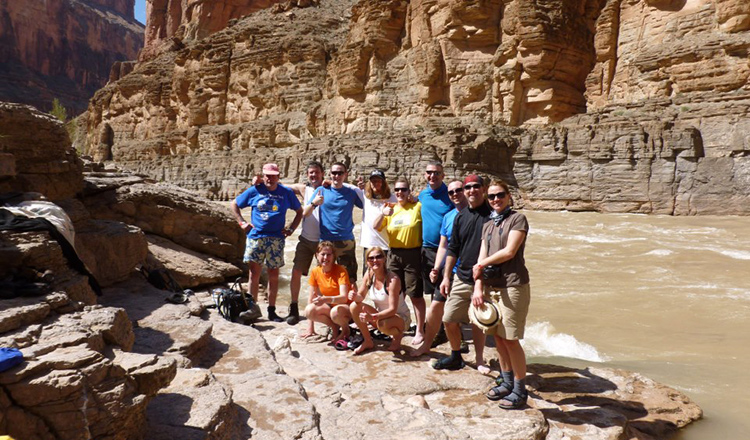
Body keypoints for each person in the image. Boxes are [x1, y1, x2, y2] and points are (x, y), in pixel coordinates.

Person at [473, 180, 531, 409]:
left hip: (513, 285)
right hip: (491, 286)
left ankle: (520, 389)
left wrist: (481, 265)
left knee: (510, 338)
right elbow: (481, 256)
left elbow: (509, 251)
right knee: (497, 336)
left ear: (509, 196)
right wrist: (478, 286)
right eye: (491, 197)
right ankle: (506, 381)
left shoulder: (517, 219)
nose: (495, 200)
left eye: (500, 195)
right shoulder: (487, 224)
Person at [231, 163, 302, 322]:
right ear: (263, 176)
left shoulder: (286, 193)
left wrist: (291, 229)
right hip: (256, 237)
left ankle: (272, 310)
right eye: (267, 175)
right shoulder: (255, 190)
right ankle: (252, 308)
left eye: (273, 175)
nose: (270, 178)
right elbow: (234, 204)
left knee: (273, 275)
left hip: (276, 239)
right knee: (254, 274)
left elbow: (300, 211)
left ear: (278, 176)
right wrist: (242, 222)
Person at [433, 174, 490, 370]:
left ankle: (480, 359)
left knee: (478, 321)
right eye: (468, 187)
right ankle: (456, 355)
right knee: (449, 318)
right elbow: (453, 249)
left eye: (476, 187)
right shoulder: (460, 217)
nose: (471, 190)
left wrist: (481, 282)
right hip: (462, 277)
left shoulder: (492, 215)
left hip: (486, 278)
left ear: (483, 189)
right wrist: (446, 277)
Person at [411, 180, 469, 358]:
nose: (455, 194)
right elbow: (444, 245)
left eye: (459, 190)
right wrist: (437, 268)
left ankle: (464, 345)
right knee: (436, 306)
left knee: (466, 309)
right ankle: (428, 344)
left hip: (468, 270)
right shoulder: (448, 216)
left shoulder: (477, 215)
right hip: (449, 269)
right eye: (451, 192)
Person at [374, 177, 424, 342]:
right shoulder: (390, 208)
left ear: (409, 191)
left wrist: (417, 198)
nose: (400, 192)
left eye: (404, 189)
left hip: (412, 254)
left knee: (415, 294)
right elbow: (375, 226)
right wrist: (382, 213)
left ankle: (420, 330)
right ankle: (396, 326)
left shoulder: (417, 206)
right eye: (397, 190)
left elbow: (427, 201)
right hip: (394, 254)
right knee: (394, 292)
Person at [305, 162, 364, 282]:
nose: (336, 176)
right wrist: (314, 203)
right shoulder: (321, 191)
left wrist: (362, 190)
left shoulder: (351, 193)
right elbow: (305, 213)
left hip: (346, 240)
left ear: (345, 174)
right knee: (323, 278)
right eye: (334, 173)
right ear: (330, 174)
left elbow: (368, 206)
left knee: (349, 279)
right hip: (326, 241)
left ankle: (350, 301)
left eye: (340, 173)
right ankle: (324, 300)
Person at [348, 247, 411, 355]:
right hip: (380, 316)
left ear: (385, 259)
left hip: (400, 318)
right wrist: (354, 296)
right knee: (354, 306)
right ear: (367, 261)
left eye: (378, 257)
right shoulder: (369, 275)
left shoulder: (392, 279)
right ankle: (368, 341)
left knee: (382, 324)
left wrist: (371, 317)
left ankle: (398, 336)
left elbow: (392, 310)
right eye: (371, 258)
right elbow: (361, 296)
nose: (375, 260)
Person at [418, 161, 453, 345]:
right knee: (431, 290)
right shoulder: (423, 195)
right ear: (425, 175)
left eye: (436, 173)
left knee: (442, 290)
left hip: (446, 250)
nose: (433, 176)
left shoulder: (450, 195)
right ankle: (436, 326)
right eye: (429, 172)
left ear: (443, 175)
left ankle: (443, 331)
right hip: (426, 249)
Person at [303, 241, 353, 345]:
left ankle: (345, 330)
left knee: (335, 312)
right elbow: (311, 298)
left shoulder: (341, 270)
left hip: (345, 308)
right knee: (309, 310)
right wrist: (310, 327)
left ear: (334, 256)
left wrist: (326, 299)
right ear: (317, 256)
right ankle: (334, 327)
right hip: (330, 308)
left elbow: (344, 298)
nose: (325, 257)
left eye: (329, 254)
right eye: (323, 254)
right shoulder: (315, 271)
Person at [360, 169, 396, 267]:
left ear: (384, 182)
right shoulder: (364, 196)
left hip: (386, 245)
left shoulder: (393, 198)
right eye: (373, 181)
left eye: (379, 181)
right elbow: (345, 187)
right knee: (368, 277)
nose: (376, 183)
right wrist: (329, 182)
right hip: (369, 244)